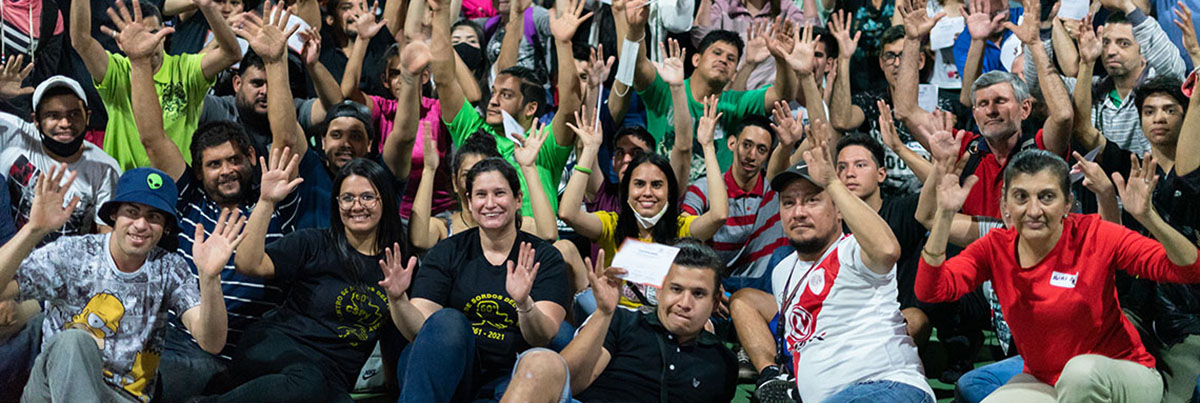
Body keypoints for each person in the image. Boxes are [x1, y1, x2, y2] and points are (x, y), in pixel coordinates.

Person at [919, 148, 1200, 402]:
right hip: (1045, 379)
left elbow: (1189, 269)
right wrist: (944, 215)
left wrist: (1149, 217)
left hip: (1123, 372)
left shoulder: (1096, 235)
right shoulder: (994, 248)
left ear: (1068, 203)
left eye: (1047, 197)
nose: (1034, 210)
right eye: (1021, 197)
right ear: (1006, 205)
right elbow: (931, 291)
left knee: (1080, 373)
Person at [124, 12, 308, 399]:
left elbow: (287, 140)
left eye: (234, 160)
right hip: (172, 339)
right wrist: (140, 65)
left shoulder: (273, 200)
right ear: (199, 170)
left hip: (237, 357)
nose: (226, 170)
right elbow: (153, 139)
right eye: (214, 164)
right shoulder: (190, 198)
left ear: (250, 160)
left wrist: (275, 64)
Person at [0, 164, 238, 402]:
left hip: (122, 396)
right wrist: (33, 230)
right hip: (51, 390)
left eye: (153, 216)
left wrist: (210, 279)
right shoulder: (74, 253)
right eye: (132, 212)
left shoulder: (170, 269)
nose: (141, 225)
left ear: (165, 227)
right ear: (114, 214)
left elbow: (212, 342)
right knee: (74, 340)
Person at [194, 155, 407, 402]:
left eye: (367, 197)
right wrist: (266, 201)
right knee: (307, 383)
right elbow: (248, 264)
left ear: (385, 201)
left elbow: (393, 336)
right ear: (337, 203)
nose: (356, 206)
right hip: (279, 346)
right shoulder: (314, 243)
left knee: (315, 387)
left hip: (331, 377)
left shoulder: (396, 262)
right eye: (347, 198)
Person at [750, 121, 933, 402]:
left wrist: (833, 182)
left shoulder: (855, 251)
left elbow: (887, 250)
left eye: (812, 200)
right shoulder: (782, 271)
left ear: (839, 210)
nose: (798, 212)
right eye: (788, 203)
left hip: (888, 386)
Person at [382, 157, 570, 402]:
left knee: (543, 363)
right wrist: (398, 300)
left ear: (518, 200)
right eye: (481, 195)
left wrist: (524, 303)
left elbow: (542, 336)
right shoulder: (448, 251)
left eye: (500, 193)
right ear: (469, 202)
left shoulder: (543, 257)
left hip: (511, 375)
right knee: (446, 322)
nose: (490, 203)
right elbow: (420, 329)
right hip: (454, 370)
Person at [497, 240, 738, 403]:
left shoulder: (722, 361)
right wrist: (603, 312)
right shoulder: (623, 321)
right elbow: (568, 382)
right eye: (676, 289)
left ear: (715, 302)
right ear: (661, 289)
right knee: (541, 363)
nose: (684, 303)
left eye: (698, 294)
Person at [895, 0, 1072, 218]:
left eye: (1000, 101)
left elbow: (1063, 116)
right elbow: (906, 111)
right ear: (975, 114)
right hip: (976, 249)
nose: (991, 111)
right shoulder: (962, 149)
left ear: (1024, 108)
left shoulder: (1041, 147)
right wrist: (913, 41)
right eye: (982, 104)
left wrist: (1036, 45)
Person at [249, 3, 412, 230]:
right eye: (336, 135)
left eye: (356, 135)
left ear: (370, 144)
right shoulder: (310, 171)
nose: (345, 143)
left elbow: (404, 136)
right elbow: (286, 137)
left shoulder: (382, 176)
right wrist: (275, 62)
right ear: (323, 142)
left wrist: (411, 79)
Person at [560, 98, 728, 308]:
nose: (647, 193)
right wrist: (589, 150)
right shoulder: (611, 224)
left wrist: (708, 147)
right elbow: (568, 213)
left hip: (662, 323)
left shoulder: (681, 227)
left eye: (657, 185)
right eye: (639, 184)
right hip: (614, 321)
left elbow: (719, 214)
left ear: (670, 192)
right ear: (627, 192)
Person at [431, 0, 585, 217]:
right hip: (487, 246)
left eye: (506, 95)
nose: (493, 101)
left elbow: (570, 106)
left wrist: (563, 44)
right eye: (493, 92)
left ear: (531, 108)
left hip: (539, 245)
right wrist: (440, 14)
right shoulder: (473, 133)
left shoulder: (543, 143)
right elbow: (444, 80)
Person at [626, 0, 799, 177]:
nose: (723, 60)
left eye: (731, 59)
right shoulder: (667, 88)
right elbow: (638, 66)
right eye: (717, 53)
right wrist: (635, 29)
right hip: (660, 191)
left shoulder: (736, 104)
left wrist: (782, 59)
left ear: (734, 74)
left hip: (713, 199)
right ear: (696, 60)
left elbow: (782, 94)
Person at [70, 0, 241, 170]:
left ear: (164, 34)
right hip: (126, 184)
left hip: (176, 185)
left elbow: (231, 54)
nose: (147, 42)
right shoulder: (116, 71)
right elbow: (81, 41)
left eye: (153, 33)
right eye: (138, 36)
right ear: (120, 42)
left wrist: (208, 7)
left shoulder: (185, 70)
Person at [1025, 0, 1186, 156]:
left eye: (1123, 44)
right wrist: (1043, 30)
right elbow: (1039, 87)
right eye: (1106, 42)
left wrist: (1127, 5)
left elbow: (1173, 69)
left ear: (1143, 51)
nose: (1111, 51)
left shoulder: (1161, 89)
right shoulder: (1091, 89)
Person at [0, 74, 120, 241]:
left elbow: (106, 235)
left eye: (74, 114)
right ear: (36, 120)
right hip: (8, 257)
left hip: (66, 264)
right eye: (53, 115)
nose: (64, 123)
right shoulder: (15, 135)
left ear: (88, 117)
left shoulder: (105, 168)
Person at [409, 122, 559, 250]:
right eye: (468, 175)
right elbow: (419, 240)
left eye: (483, 173)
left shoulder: (518, 225)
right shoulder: (444, 227)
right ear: (455, 182)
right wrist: (429, 170)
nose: (476, 182)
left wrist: (529, 167)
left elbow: (548, 234)